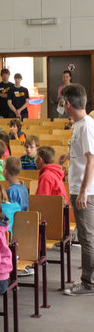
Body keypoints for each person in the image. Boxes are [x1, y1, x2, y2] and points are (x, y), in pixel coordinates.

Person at [58, 84, 94, 295]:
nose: (63, 106)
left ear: (68, 104)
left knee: (87, 237)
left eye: (63, 103)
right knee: (87, 234)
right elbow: (82, 154)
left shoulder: (87, 126)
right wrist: (67, 155)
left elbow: (91, 161)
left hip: (86, 193)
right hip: (81, 189)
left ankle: (88, 283)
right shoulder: (79, 124)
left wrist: (82, 192)